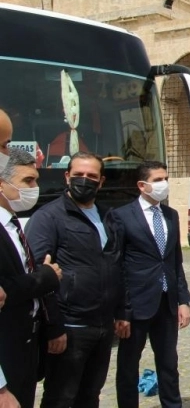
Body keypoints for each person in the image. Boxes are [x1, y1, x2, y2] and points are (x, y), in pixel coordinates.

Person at [26, 152, 123, 408]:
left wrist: (122, 312)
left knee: (90, 395)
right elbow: (39, 276)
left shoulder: (108, 217)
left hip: (102, 326)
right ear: (67, 176)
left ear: (101, 182)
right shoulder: (48, 217)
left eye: (91, 176)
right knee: (60, 397)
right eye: (78, 175)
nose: (84, 180)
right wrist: (53, 327)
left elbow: (116, 266)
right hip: (69, 327)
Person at [109, 161, 190, 408]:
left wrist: (183, 300)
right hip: (135, 305)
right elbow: (117, 265)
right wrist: (121, 311)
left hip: (166, 303)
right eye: (158, 180)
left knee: (168, 363)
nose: (163, 184)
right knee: (128, 365)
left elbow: (175, 259)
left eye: (165, 178)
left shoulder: (171, 215)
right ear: (142, 185)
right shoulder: (121, 216)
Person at [0, 147, 61, 408]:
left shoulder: (15, 223)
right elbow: (6, 288)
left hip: (27, 345)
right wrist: (45, 277)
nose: (35, 187)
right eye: (27, 181)